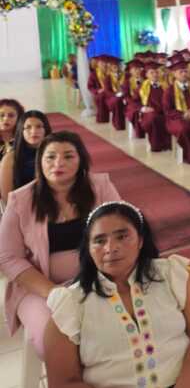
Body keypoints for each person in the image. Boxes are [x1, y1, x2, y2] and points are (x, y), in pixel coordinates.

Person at [44, 201, 190, 388]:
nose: (110, 248)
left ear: (140, 240)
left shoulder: (171, 275)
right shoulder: (71, 302)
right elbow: (62, 383)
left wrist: (187, 381)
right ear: (89, 249)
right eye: (99, 241)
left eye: (122, 236)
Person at [0, 131, 120, 358]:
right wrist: (53, 292)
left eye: (68, 156)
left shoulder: (100, 187)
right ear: (40, 161)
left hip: (98, 280)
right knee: (58, 338)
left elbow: (123, 229)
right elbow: (7, 257)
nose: (58, 163)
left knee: (118, 330)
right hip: (39, 289)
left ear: (81, 160)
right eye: (51, 157)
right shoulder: (20, 200)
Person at [0, 111, 52, 203]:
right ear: (21, 131)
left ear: (46, 130)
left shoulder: (53, 154)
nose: (34, 131)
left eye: (39, 126)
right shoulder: (10, 158)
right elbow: (7, 197)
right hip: (20, 205)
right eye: (28, 127)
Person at [163, 62, 190, 165]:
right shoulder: (169, 91)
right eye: (180, 72)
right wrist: (182, 114)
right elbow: (168, 110)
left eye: (185, 71)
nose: (184, 74)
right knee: (184, 129)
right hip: (175, 119)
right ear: (174, 74)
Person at [139, 63, 172, 153]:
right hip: (149, 113)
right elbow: (135, 101)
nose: (155, 75)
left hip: (164, 111)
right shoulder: (143, 87)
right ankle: (156, 145)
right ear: (147, 75)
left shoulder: (166, 86)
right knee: (154, 118)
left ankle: (168, 144)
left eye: (157, 72)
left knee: (169, 118)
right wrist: (143, 108)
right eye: (152, 73)